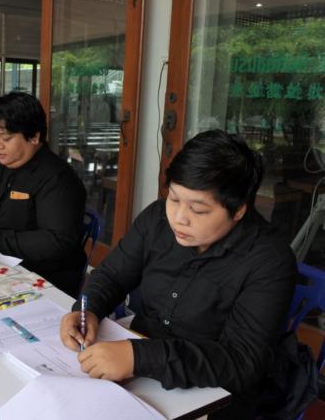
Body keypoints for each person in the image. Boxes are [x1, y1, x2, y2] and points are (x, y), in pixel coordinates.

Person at [59, 130, 297, 418]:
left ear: (238, 211)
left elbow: (241, 361)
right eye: (174, 199)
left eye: (198, 210)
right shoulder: (157, 219)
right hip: (137, 360)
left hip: (212, 393)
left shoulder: (269, 261)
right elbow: (112, 275)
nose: (179, 218)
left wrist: (140, 357)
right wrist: (87, 310)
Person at [0, 92, 87, 297]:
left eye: (6, 138)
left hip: (42, 281)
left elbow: (57, 241)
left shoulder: (58, 179)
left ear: (34, 136)